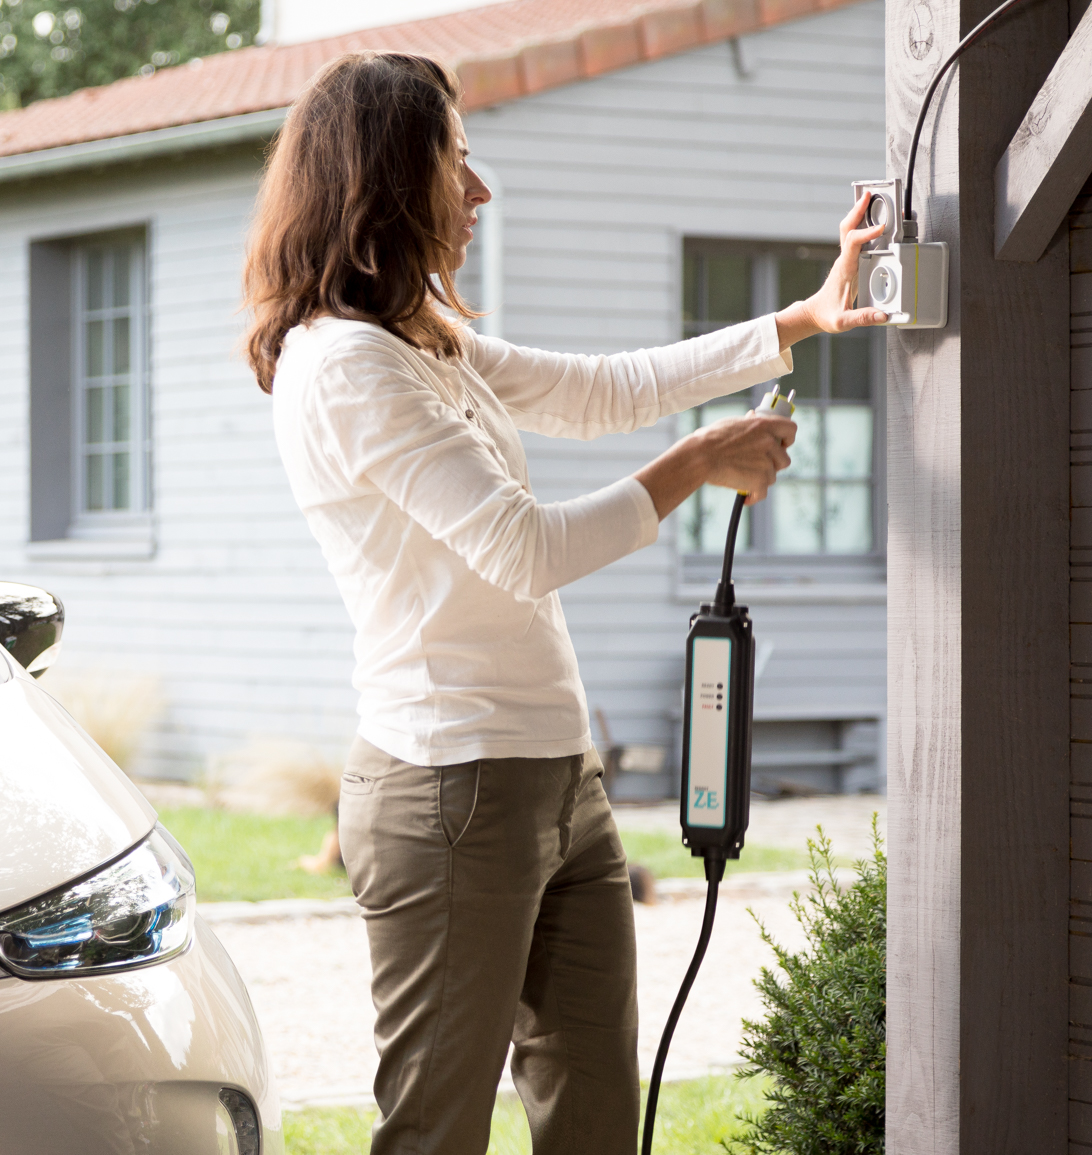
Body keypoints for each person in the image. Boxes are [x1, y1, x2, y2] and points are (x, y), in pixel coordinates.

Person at [241, 51, 887, 1155]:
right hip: (448, 794)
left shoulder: (424, 342)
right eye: (455, 159)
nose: (478, 189)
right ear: (388, 181)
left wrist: (796, 322)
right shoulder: (344, 367)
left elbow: (595, 391)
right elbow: (520, 546)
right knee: (436, 1131)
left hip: (557, 779)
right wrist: (695, 463)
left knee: (593, 1119)